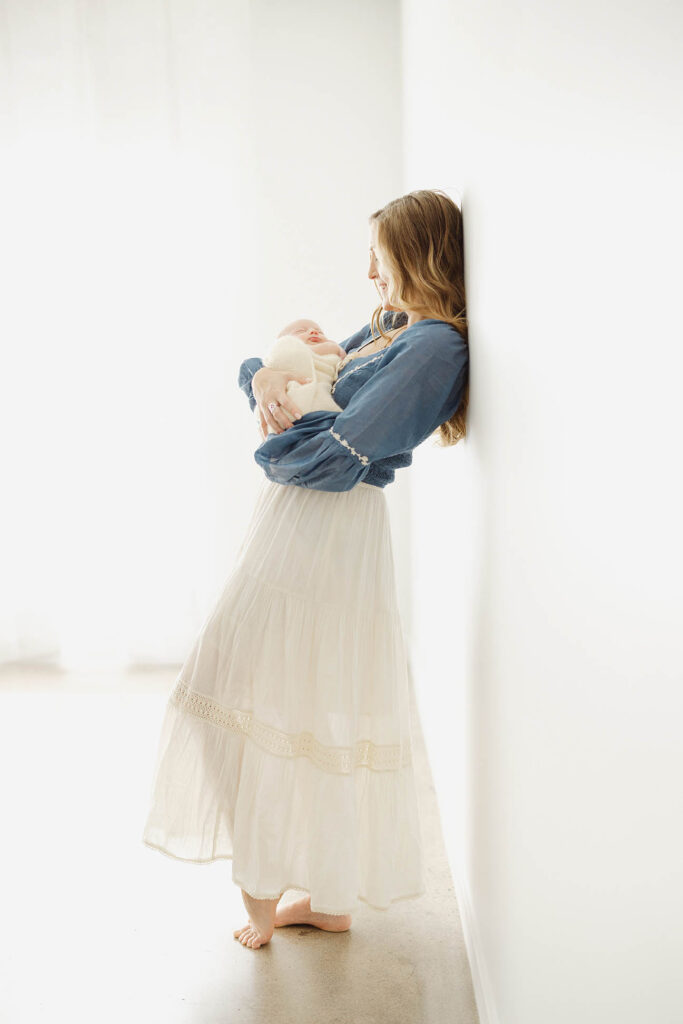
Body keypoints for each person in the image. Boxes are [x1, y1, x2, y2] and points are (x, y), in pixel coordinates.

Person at [141, 189, 469, 951]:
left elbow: (325, 457)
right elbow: (294, 377)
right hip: (296, 523)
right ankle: (316, 888)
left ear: (415, 256)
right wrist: (267, 379)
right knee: (250, 689)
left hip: (329, 526)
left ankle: (303, 890)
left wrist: (281, 403)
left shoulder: (435, 347)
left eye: (379, 258)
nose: (367, 275)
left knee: (282, 694)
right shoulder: (395, 327)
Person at [253, 318, 346, 440]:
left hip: (317, 412)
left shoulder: (331, 353)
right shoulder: (290, 349)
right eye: (301, 331)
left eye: (320, 332)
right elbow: (284, 355)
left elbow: (343, 359)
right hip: (286, 408)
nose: (313, 331)